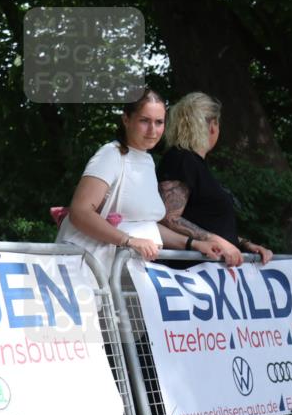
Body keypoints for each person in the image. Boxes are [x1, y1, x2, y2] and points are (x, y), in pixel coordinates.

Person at [56, 88, 216, 277]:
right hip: (87, 275)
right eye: (144, 121)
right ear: (126, 119)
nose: (153, 130)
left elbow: (145, 225)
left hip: (122, 278)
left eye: (159, 122)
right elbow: (80, 212)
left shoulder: (147, 160)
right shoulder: (111, 154)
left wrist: (193, 244)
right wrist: (128, 240)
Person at [157, 92, 273, 267]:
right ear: (213, 126)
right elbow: (168, 217)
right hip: (190, 273)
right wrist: (216, 240)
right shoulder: (181, 159)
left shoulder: (194, 163)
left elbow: (206, 221)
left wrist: (244, 244)